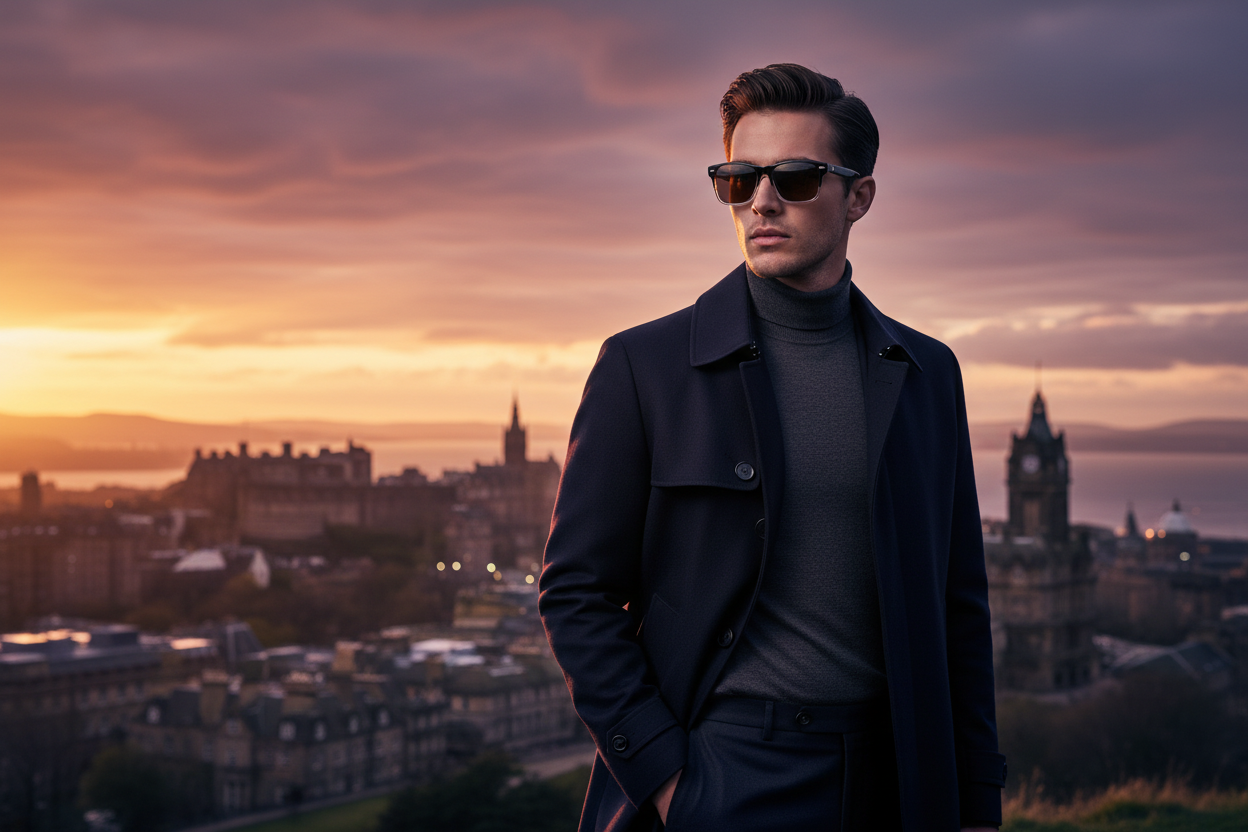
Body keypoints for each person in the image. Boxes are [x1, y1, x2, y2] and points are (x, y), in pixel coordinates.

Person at [538, 63, 1006, 832]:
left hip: (901, 778)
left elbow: (959, 606)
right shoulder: (643, 366)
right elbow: (576, 592)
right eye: (737, 178)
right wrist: (669, 780)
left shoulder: (928, 374)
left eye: (793, 177)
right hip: (725, 774)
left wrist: (977, 802)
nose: (760, 200)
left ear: (859, 196)